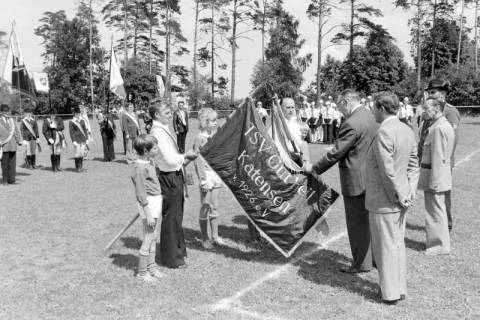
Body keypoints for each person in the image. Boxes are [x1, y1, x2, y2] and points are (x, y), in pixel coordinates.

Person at [304, 89, 378, 274]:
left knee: (357, 223)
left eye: (339, 107)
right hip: (370, 176)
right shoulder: (369, 115)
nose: (339, 111)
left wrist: (314, 168)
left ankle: (362, 263)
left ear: (346, 102)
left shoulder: (352, 123)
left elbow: (336, 152)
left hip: (355, 180)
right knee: (370, 222)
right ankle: (374, 259)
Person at [365, 92, 419, 305]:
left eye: (373, 107)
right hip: (400, 198)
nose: (372, 111)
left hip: (385, 200)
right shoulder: (406, 129)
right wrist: (409, 192)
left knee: (385, 247)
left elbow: (388, 172)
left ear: (380, 108)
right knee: (396, 245)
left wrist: (399, 195)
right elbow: (413, 165)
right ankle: (399, 288)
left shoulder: (384, 132)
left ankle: (390, 293)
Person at [149, 99, 197, 268]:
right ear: (157, 115)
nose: (170, 116)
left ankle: (179, 250)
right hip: (169, 177)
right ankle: (171, 258)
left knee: (177, 216)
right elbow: (169, 160)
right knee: (171, 218)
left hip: (174, 175)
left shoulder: (162, 129)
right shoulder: (158, 132)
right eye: (167, 113)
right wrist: (186, 156)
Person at [422, 79, 460, 232]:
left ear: (443, 93)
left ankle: (446, 224)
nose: (429, 95)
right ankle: (436, 224)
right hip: (430, 158)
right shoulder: (430, 110)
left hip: (442, 160)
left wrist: (444, 160)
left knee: (442, 193)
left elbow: (452, 139)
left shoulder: (450, 111)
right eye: (429, 92)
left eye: (433, 92)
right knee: (432, 194)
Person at [418, 98, 454, 255]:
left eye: (426, 108)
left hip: (435, 177)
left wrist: (434, 181)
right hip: (438, 176)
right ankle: (440, 244)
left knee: (435, 213)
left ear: (437, 108)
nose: (423, 111)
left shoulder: (438, 128)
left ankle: (438, 246)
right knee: (437, 211)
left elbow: (438, 158)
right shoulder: (440, 125)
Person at [130, 133, 165, 282]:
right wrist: (148, 214)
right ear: (145, 151)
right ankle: (142, 272)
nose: (158, 149)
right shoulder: (139, 168)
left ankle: (152, 267)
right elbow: (140, 193)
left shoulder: (149, 163)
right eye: (155, 147)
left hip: (155, 203)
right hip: (148, 205)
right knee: (149, 237)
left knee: (154, 236)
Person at [193, 108, 225, 250]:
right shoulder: (199, 138)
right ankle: (204, 238)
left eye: (216, 120)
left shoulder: (216, 135)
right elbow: (197, 159)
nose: (215, 122)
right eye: (212, 120)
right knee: (205, 206)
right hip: (206, 176)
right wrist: (203, 179)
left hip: (215, 174)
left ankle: (215, 236)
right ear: (205, 122)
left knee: (215, 206)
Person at [0, 104, 22, 184]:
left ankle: (11, 179)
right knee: (4, 163)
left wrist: (19, 141)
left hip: (12, 144)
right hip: (4, 145)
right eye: (5, 111)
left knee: (12, 163)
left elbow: (16, 131)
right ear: (1, 112)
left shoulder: (12, 120)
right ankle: (5, 180)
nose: (7, 113)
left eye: (7, 111)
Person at [69, 106, 88, 172]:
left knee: (82, 153)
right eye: (77, 113)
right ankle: (77, 167)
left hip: (83, 138)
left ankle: (81, 167)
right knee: (77, 153)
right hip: (76, 139)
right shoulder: (72, 121)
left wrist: (87, 138)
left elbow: (85, 130)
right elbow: (71, 132)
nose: (78, 114)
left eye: (79, 113)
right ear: (74, 114)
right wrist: (73, 140)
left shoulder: (82, 120)